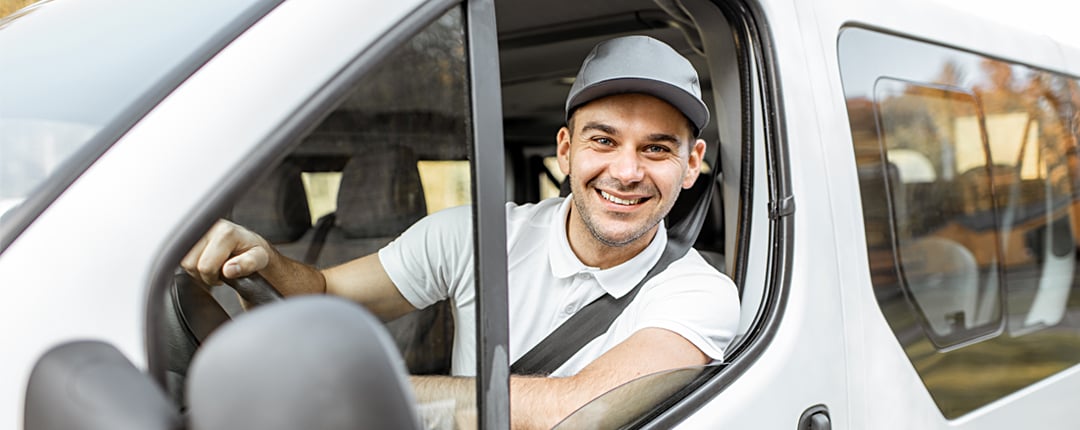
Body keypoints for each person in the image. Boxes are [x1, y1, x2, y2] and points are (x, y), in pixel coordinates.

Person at [183, 35, 739, 429]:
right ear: (566, 150)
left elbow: (582, 409)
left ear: (691, 165)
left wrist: (354, 396)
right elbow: (326, 297)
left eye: (657, 149)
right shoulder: (472, 236)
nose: (626, 171)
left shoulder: (700, 293)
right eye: (603, 140)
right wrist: (265, 262)